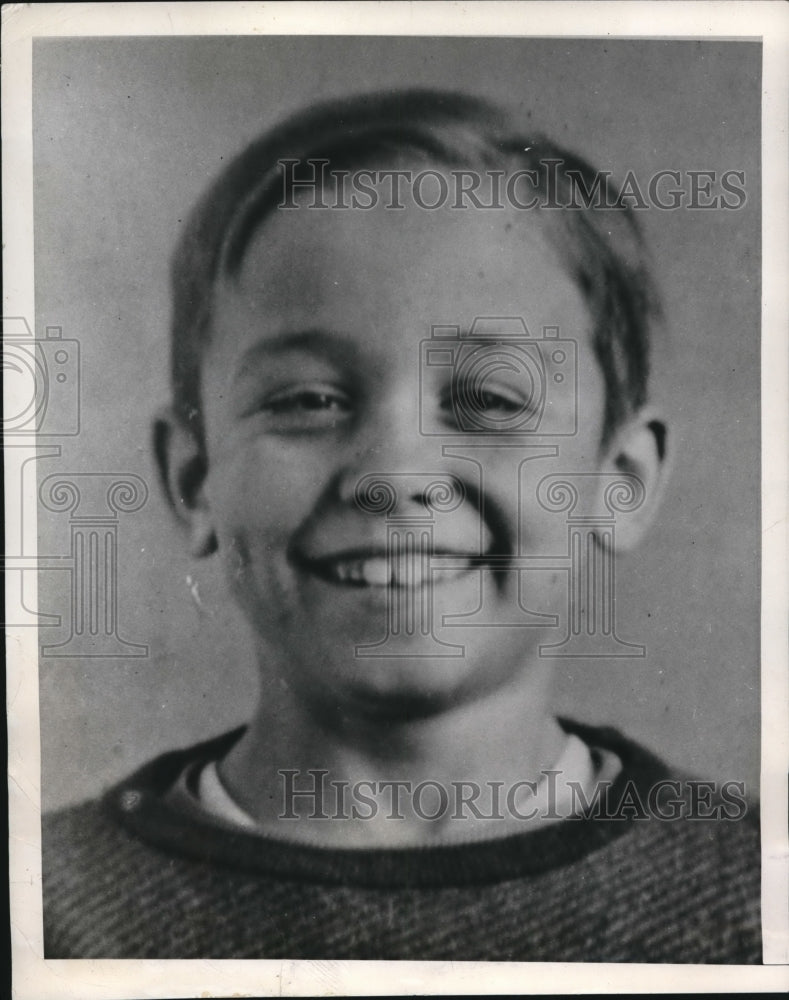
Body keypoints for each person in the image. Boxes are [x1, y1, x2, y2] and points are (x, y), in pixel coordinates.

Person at [42, 89, 761, 962]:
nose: (392, 477)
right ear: (194, 477)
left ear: (618, 480)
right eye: (307, 400)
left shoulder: (754, 895)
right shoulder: (51, 906)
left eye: (490, 398)